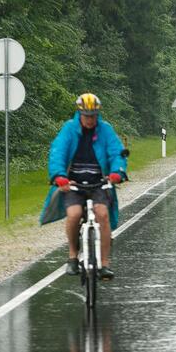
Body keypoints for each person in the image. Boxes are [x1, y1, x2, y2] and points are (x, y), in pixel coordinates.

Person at [40, 93, 128, 280]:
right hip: (73, 183)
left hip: (100, 182)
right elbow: (57, 152)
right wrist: (59, 176)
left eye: (93, 115)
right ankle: (72, 257)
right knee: (73, 215)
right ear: (79, 113)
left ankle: (104, 264)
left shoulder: (105, 130)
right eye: (86, 115)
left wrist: (117, 172)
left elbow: (117, 153)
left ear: (98, 114)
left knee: (102, 214)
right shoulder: (69, 129)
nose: (90, 119)